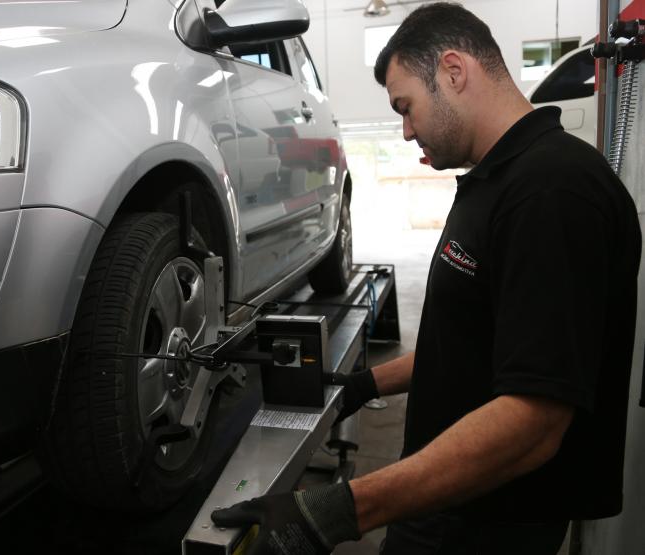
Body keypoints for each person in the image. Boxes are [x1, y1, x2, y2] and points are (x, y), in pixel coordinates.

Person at [211, 3, 642, 554]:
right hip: (444, 496)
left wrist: (342, 509)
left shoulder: (552, 193)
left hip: (485, 522)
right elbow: (472, 343)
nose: (406, 130)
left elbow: (534, 420)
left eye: (406, 107)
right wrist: (365, 385)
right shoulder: (500, 180)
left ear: (453, 71)